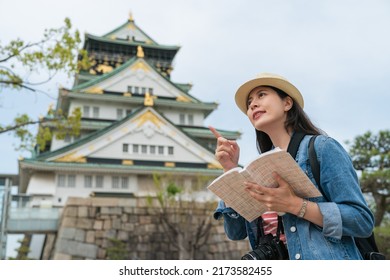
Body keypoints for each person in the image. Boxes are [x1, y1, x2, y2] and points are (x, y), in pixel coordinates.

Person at [210, 72, 374, 260]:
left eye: (261, 95)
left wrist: (296, 205)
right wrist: (230, 170)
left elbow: (361, 220)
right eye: (249, 102)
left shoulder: (322, 148)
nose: (253, 104)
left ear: (287, 103)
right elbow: (235, 232)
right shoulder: (257, 170)